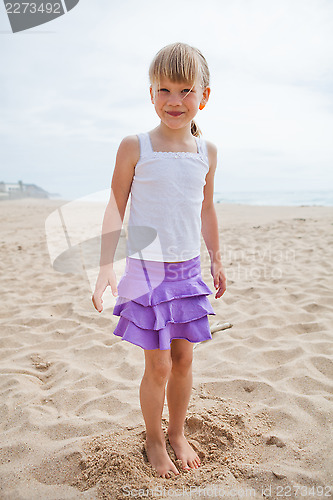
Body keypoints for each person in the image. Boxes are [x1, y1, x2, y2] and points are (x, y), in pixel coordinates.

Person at [92, 42, 227, 479]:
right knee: (160, 363)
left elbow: (206, 209)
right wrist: (105, 266)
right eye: (164, 89)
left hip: (188, 272)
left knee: (185, 360)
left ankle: (176, 431)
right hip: (148, 274)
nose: (174, 100)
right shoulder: (136, 146)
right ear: (151, 93)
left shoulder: (206, 152)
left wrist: (217, 259)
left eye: (186, 90)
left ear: (203, 96)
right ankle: (153, 438)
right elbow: (115, 205)